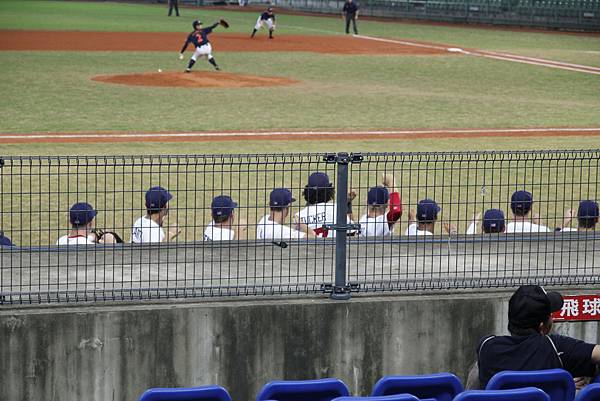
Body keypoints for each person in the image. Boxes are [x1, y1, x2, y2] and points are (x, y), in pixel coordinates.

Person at [476, 285, 600, 389]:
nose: (552, 318)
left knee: (476, 371)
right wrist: (561, 385)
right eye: (550, 315)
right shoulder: (556, 347)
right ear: (542, 326)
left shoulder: (487, 346)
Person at [297, 172, 355, 238]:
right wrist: (347, 205)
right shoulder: (336, 209)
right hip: (335, 248)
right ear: (329, 191)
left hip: (309, 248)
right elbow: (352, 233)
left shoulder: (299, 216)